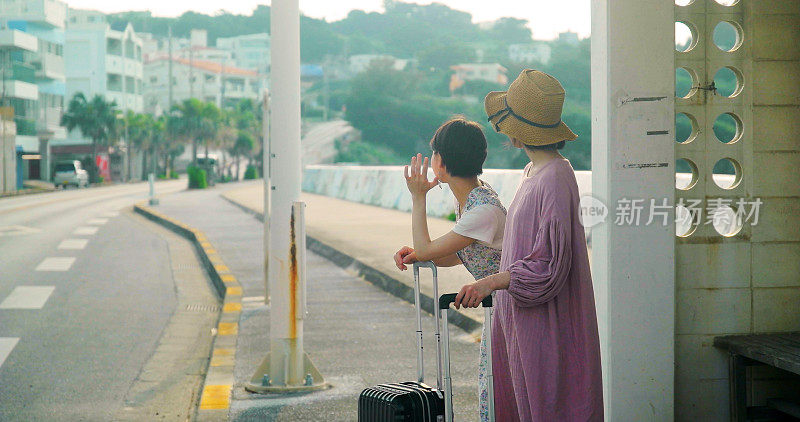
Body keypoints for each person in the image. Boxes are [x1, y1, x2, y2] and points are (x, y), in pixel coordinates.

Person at [452, 70, 603, 421]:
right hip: (522, 318)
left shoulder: (554, 179)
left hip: (546, 324)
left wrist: (490, 281)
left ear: (518, 130)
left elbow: (547, 267)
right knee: (525, 401)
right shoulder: (533, 173)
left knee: (550, 403)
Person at [393, 117, 505, 421]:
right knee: (496, 391)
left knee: (500, 392)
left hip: (511, 309)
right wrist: (418, 254)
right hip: (502, 308)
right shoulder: (475, 197)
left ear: (440, 162)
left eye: (434, 156)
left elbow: (434, 249)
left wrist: (418, 197)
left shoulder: (481, 209)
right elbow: (458, 254)